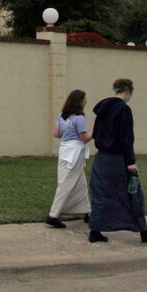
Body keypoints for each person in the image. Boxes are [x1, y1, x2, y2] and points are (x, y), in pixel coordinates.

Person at [88, 78, 147, 244]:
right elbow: (127, 137)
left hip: (102, 159)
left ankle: (95, 230)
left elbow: (96, 133)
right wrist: (131, 161)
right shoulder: (124, 110)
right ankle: (143, 230)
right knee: (133, 194)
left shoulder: (102, 109)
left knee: (101, 195)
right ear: (128, 92)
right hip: (117, 160)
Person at [46, 89, 92, 228]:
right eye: (84, 99)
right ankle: (53, 215)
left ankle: (88, 211)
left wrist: (68, 133)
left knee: (80, 182)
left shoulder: (62, 116)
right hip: (75, 151)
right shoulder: (79, 118)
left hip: (65, 149)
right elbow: (84, 138)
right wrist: (96, 131)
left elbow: (56, 134)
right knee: (67, 183)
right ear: (80, 102)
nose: (85, 101)